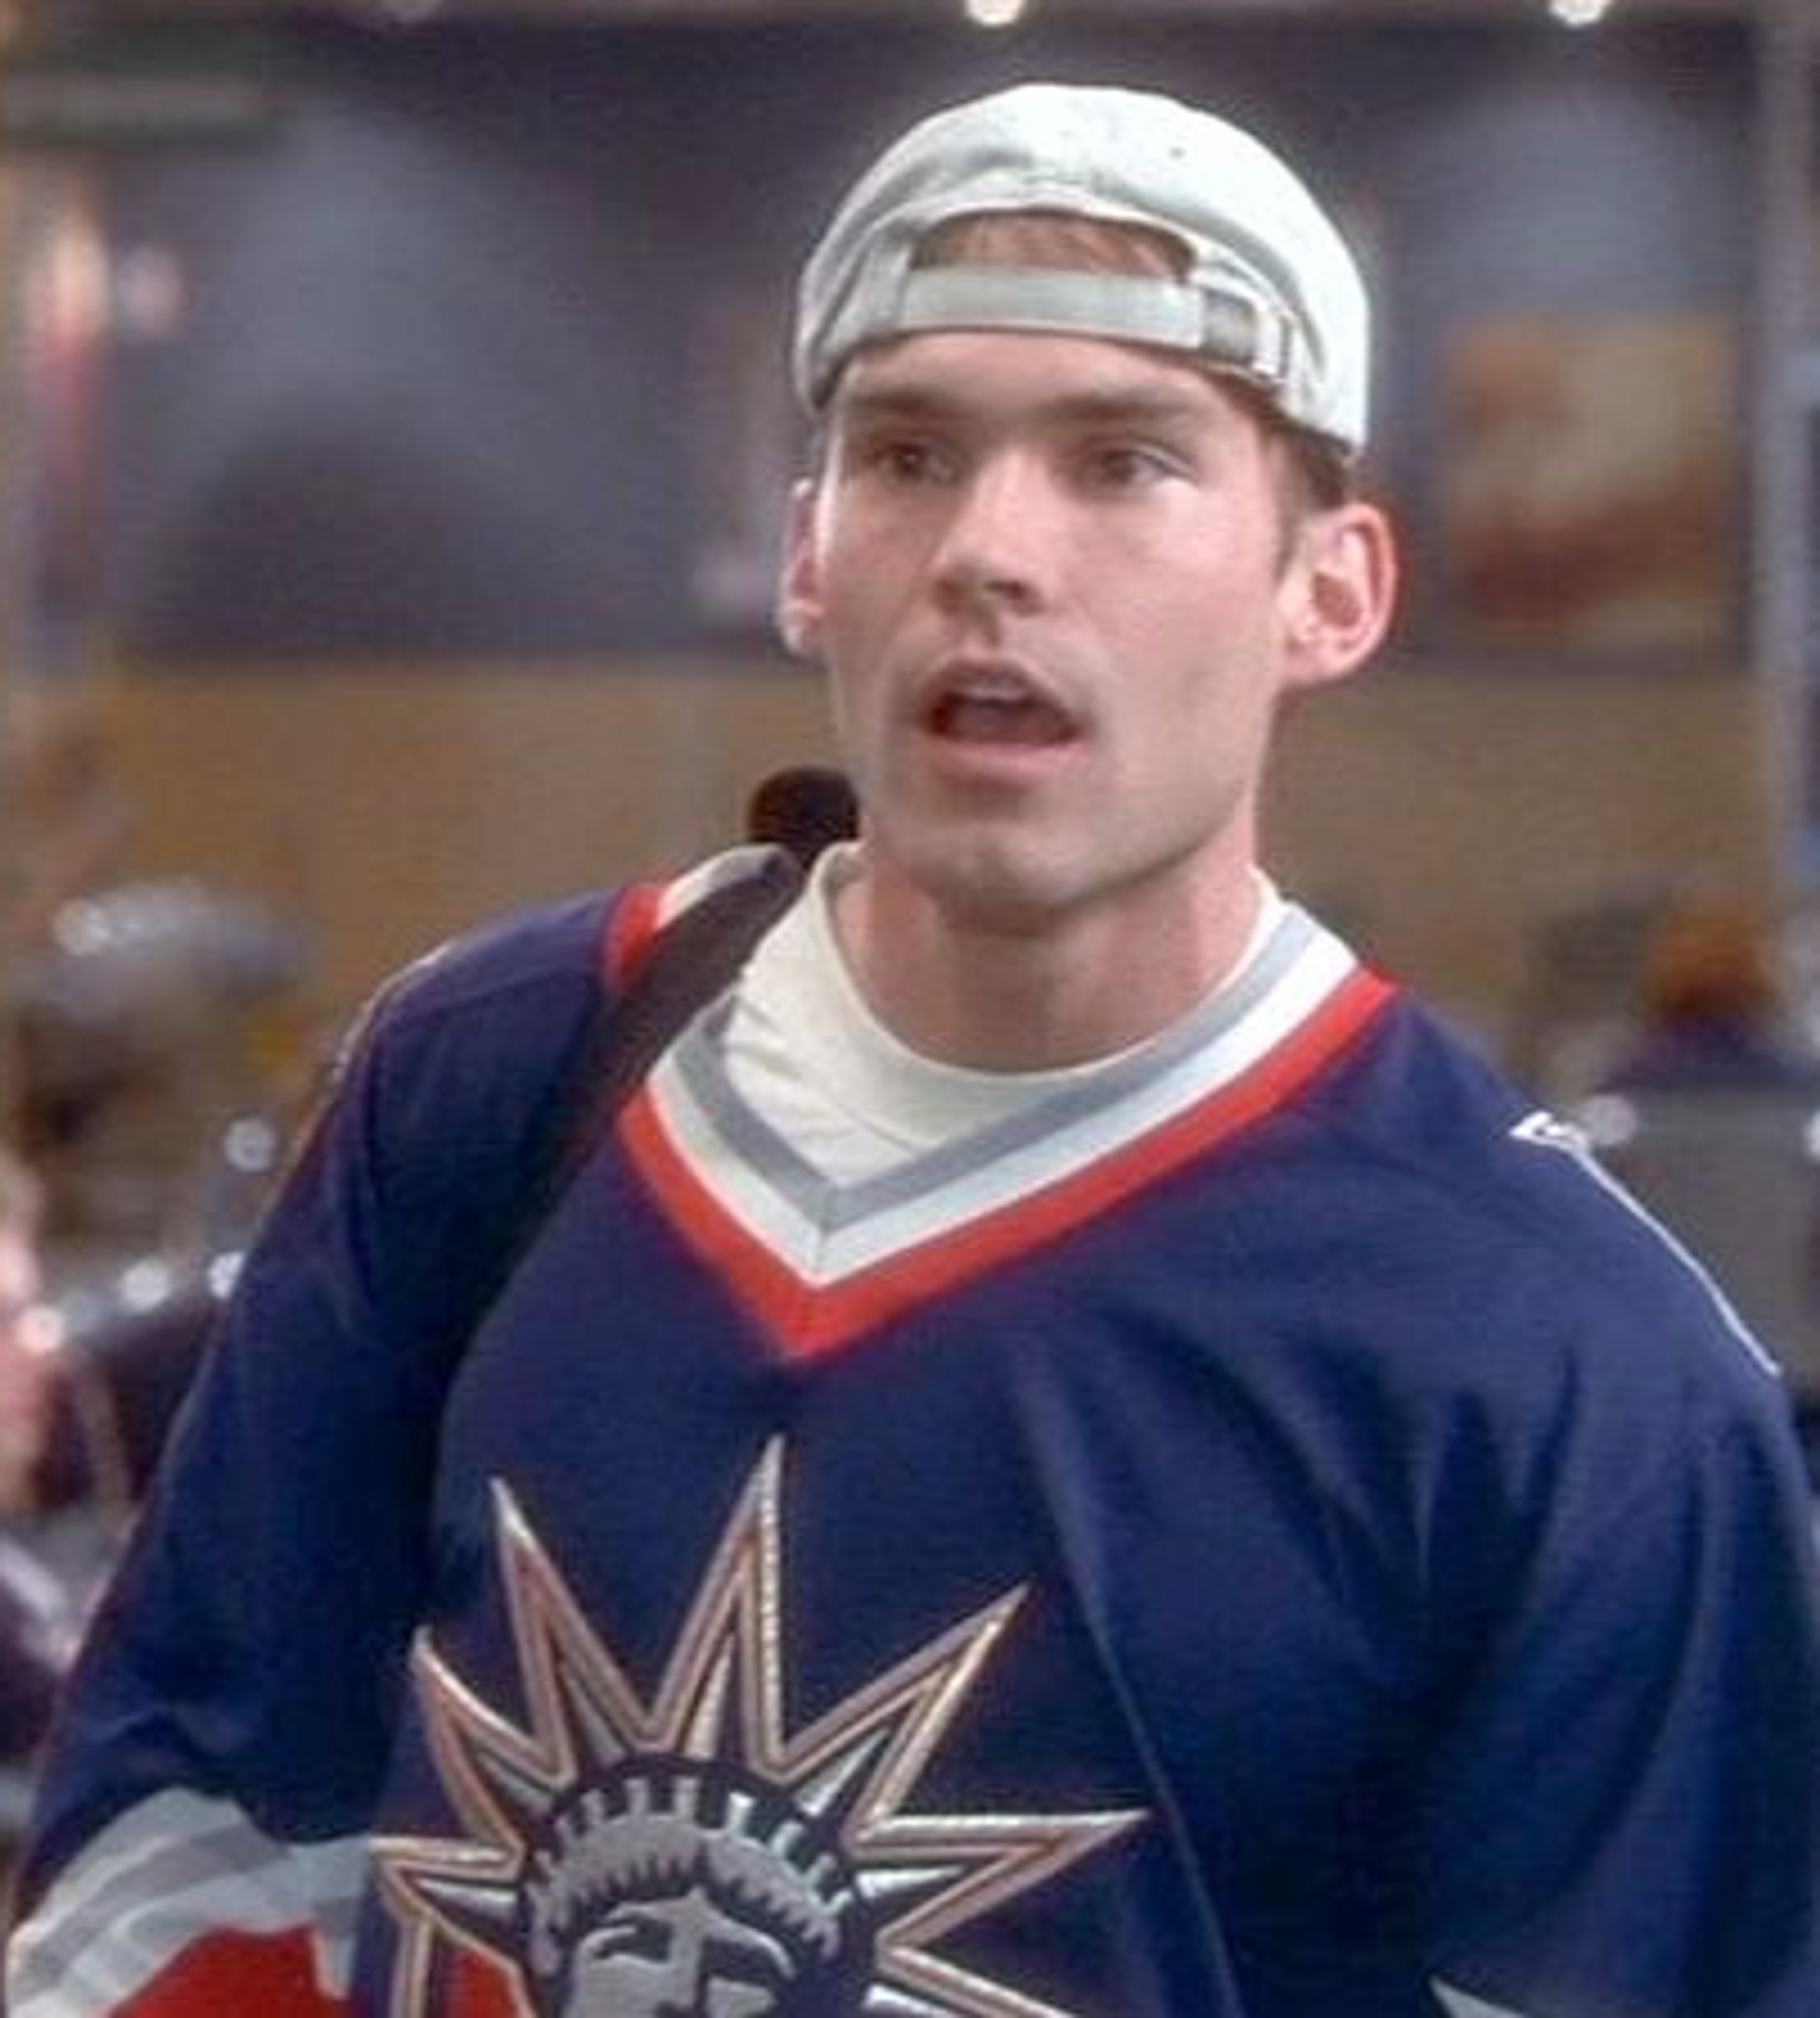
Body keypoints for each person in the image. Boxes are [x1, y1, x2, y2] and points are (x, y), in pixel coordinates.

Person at [7, 80, 1820, 2018]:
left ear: (1333, 589)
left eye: (1125, 461)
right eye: (909, 454)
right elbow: (181, 1861)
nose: (990, 549)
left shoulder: (1572, 1369)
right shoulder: (494, 1079)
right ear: (809, 553)